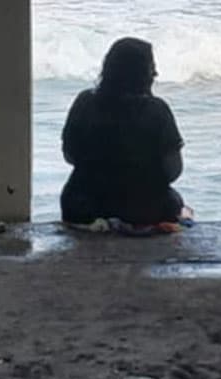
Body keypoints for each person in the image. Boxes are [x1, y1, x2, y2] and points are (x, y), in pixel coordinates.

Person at [59, 38, 189, 233]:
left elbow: (69, 155)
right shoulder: (157, 110)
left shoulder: (84, 102)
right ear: (141, 74)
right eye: (151, 67)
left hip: (81, 206)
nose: (155, 73)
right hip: (141, 210)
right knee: (177, 203)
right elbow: (173, 171)